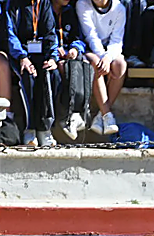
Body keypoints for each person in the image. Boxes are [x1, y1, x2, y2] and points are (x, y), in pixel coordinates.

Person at [6, 0, 61, 147]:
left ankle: (45, 129)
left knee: (50, 74)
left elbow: (51, 32)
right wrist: (22, 57)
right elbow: (10, 34)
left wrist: (52, 58)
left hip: (41, 53)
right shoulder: (13, 4)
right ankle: (29, 129)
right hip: (21, 54)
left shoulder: (44, 4)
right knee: (28, 77)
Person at [78, 0, 128, 135]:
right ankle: (107, 115)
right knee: (96, 63)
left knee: (120, 65)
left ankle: (101, 116)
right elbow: (90, 35)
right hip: (89, 49)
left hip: (109, 52)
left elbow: (117, 40)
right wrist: (103, 58)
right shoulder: (82, 4)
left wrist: (108, 57)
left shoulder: (119, 8)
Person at [52, 0, 95, 139]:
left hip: (69, 55)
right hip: (51, 56)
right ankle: (66, 115)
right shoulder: (44, 10)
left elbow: (78, 38)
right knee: (62, 68)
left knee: (84, 63)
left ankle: (79, 112)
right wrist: (54, 51)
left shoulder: (70, 11)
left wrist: (75, 49)